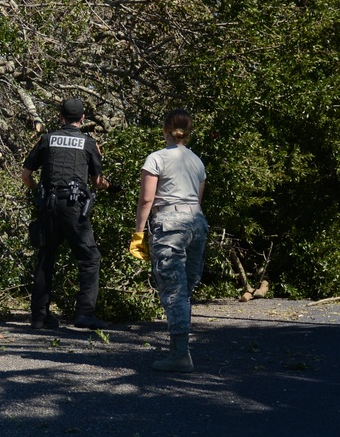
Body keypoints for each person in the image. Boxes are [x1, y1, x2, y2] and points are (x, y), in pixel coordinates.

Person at [22, 98, 110, 330]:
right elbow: (97, 181)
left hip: (48, 205)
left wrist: (36, 192)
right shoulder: (88, 143)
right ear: (82, 119)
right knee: (90, 258)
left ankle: (39, 317)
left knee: (46, 257)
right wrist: (107, 186)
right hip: (74, 208)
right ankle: (84, 314)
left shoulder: (46, 139)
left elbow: (25, 175)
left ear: (60, 117)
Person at [131, 108, 208, 372]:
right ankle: (181, 349)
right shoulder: (197, 161)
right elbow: (197, 201)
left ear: (164, 129)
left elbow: (146, 200)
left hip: (170, 223)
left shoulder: (156, 158)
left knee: (173, 290)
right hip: (196, 223)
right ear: (189, 131)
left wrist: (139, 232)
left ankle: (180, 355)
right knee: (185, 288)